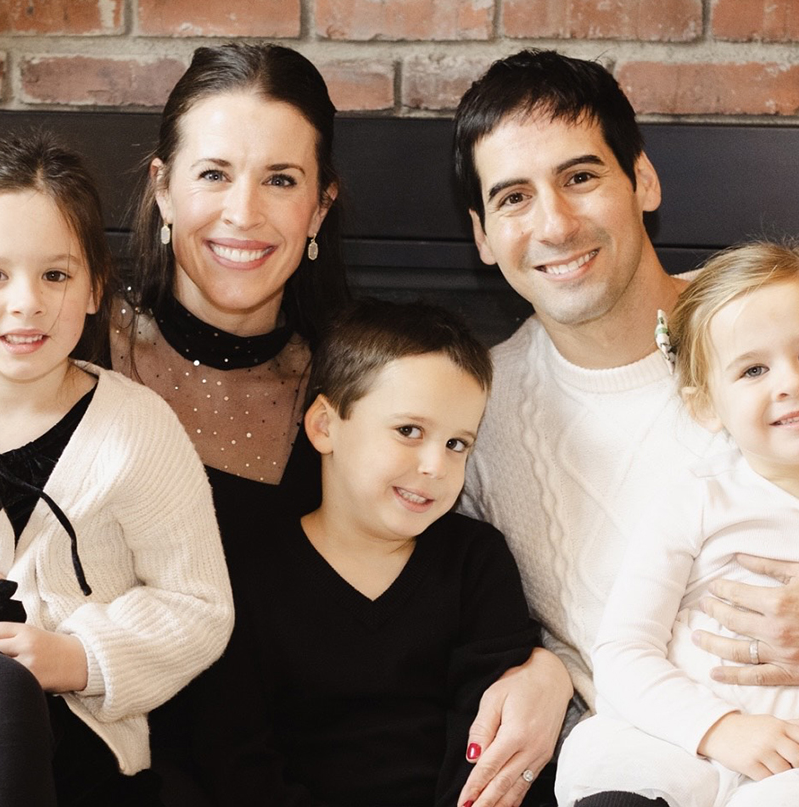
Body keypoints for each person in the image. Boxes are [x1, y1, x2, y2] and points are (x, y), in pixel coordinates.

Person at [0, 43, 569, 807]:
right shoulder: (53, 329)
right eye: (213, 173)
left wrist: (553, 669)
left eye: (280, 180)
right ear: (165, 188)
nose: (243, 211)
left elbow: (460, 551)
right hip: (24, 733)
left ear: (319, 207)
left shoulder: (366, 386)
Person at [452, 49, 799, 807]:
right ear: (484, 235)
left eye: (581, 176)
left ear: (643, 182)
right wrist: (546, 663)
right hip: (660, 755)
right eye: (514, 197)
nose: (554, 223)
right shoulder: (473, 410)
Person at [0, 131, 233, 806]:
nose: (27, 302)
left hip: (74, 729)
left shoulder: (138, 428)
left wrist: (78, 656)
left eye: (55, 274)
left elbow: (200, 605)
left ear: (93, 286)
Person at [554, 241, 799, 807]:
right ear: (705, 405)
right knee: (607, 756)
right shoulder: (694, 502)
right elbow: (623, 650)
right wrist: (718, 728)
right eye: (754, 369)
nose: (790, 382)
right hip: (693, 738)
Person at [202, 298, 550, 806]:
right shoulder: (249, 573)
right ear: (325, 426)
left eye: (457, 444)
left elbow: (489, 735)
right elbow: (234, 759)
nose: (435, 465)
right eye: (409, 431)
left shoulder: (475, 562)